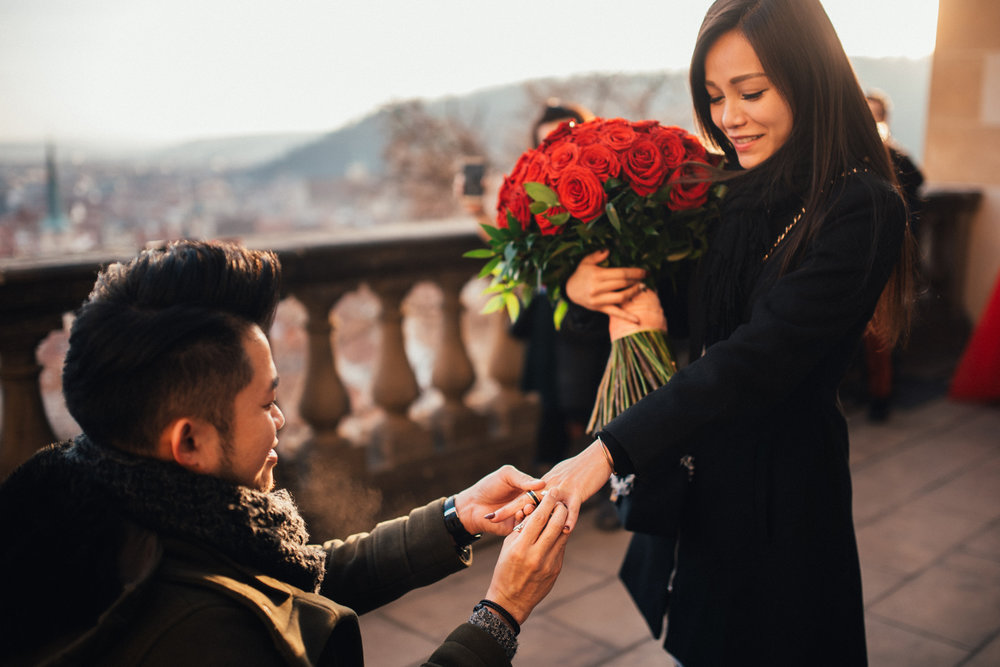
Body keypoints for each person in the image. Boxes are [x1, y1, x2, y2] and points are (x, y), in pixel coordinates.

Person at [492, 0, 915, 665]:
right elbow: (665, 300)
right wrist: (576, 281)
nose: (728, 117)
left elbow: (754, 358)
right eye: (715, 96)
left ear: (810, 78)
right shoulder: (729, 191)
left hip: (785, 494)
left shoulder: (861, 205)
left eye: (752, 92)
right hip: (705, 481)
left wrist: (605, 452)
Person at [0, 240, 571, 666]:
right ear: (190, 441)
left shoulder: (92, 498)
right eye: (266, 402)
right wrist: (502, 611)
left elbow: (295, 581)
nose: (282, 420)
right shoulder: (205, 634)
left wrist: (455, 518)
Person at [863, 89, 926, 421]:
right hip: (855, 258)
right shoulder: (853, 158)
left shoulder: (898, 160)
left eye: (877, 115)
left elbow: (910, 209)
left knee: (880, 337)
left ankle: (880, 398)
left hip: (885, 262)